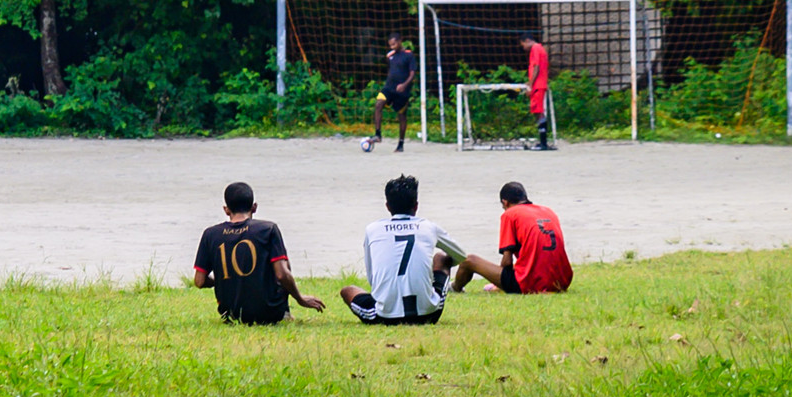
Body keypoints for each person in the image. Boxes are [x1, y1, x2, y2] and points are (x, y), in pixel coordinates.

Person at [191, 182, 327, 324]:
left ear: (226, 210)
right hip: (269, 313)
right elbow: (282, 274)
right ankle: (286, 312)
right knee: (282, 261)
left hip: (231, 314)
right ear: (254, 207)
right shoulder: (268, 229)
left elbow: (199, 281)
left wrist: (223, 279)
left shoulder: (210, 234)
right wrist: (300, 298)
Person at [339, 174, 463, 325]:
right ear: (416, 206)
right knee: (442, 257)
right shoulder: (428, 227)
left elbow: (372, 278)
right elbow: (461, 255)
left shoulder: (372, 229)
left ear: (387, 206)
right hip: (429, 314)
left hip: (385, 316)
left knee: (348, 290)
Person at [451, 181, 574, 296]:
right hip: (561, 282)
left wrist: (499, 283)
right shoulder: (548, 211)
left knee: (469, 261)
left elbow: (507, 262)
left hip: (532, 284)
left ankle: (455, 288)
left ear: (505, 203)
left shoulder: (510, 214)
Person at [364, 37, 417, 153]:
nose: (391, 47)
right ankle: (378, 135)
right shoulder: (390, 56)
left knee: (402, 116)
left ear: (399, 42)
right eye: (390, 45)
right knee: (378, 104)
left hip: (402, 91)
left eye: (393, 44)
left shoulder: (409, 55)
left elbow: (412, 74)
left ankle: (400, 144)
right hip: (389, 88)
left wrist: (404, 85)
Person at [522, 32, 554, 150]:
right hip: (540, 84)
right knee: (538, 111)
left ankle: (543, 143)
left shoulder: (535, 49)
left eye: (523, 45)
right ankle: (542, 141)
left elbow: (536, 67)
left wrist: (531, 84)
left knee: (539, 112)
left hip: (538, 85)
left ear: (527, 41)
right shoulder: (541, 49)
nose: (524, 48)